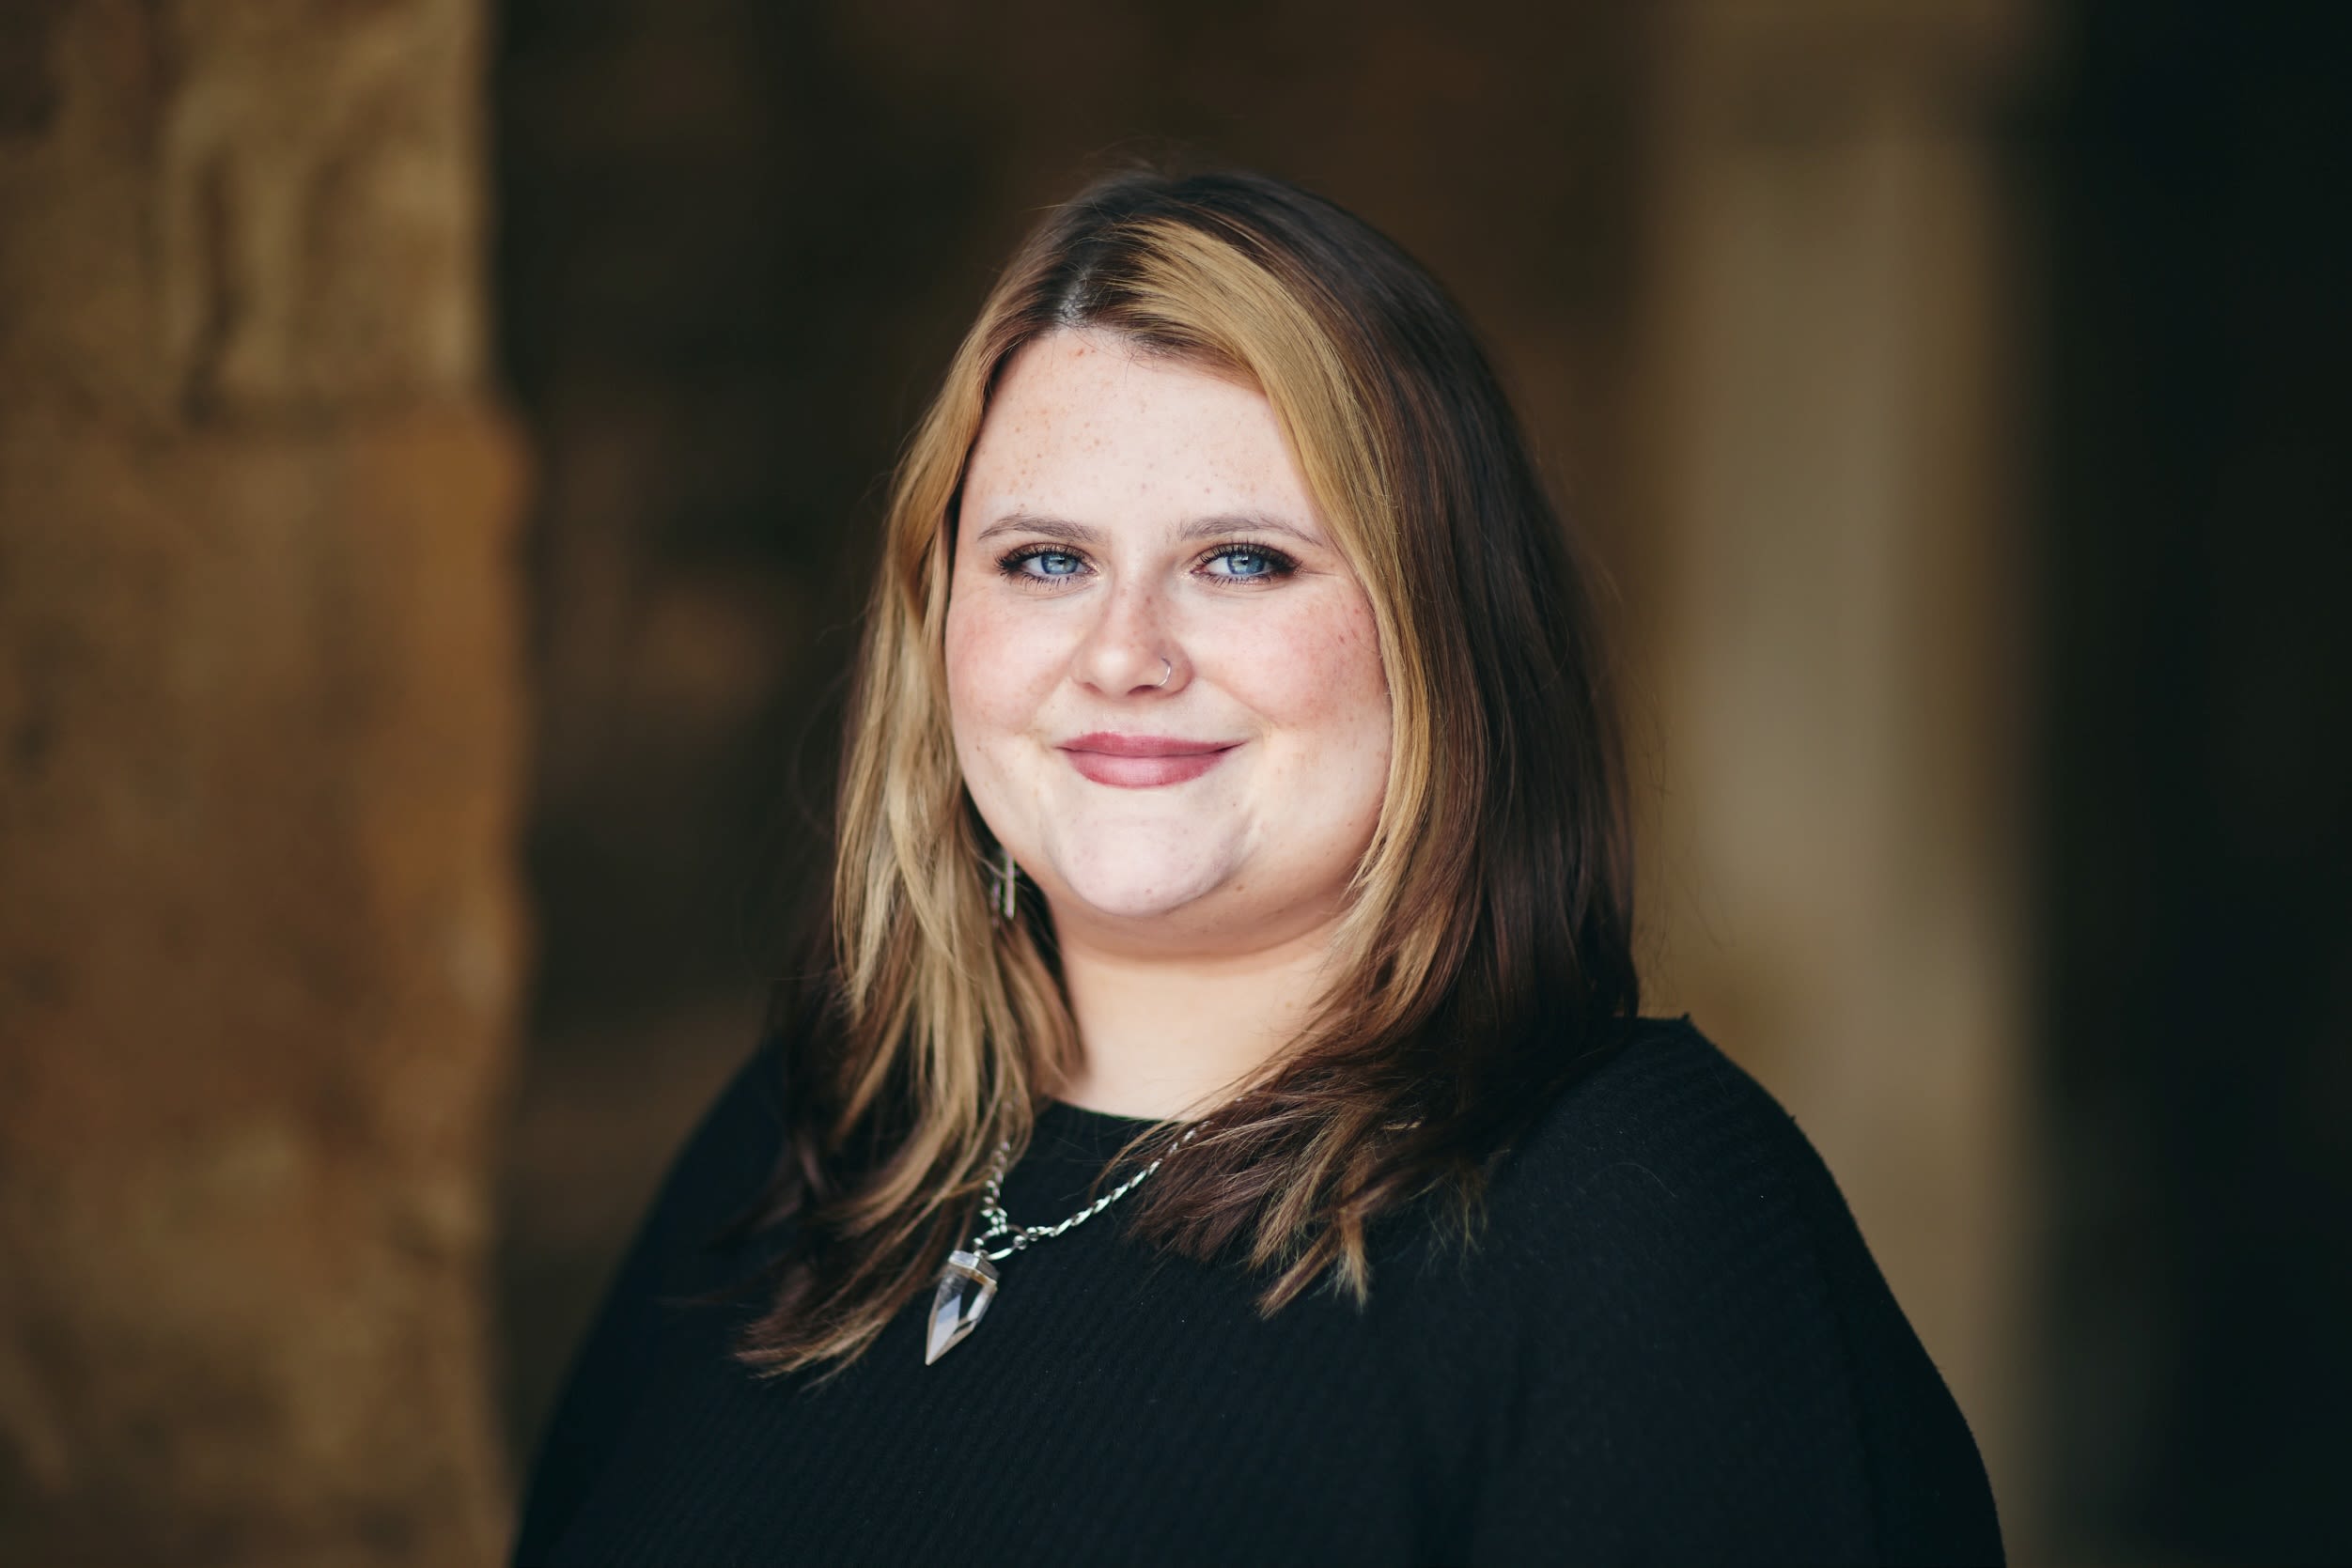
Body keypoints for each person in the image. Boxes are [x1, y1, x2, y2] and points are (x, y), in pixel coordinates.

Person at [511, 168, 2002, 1566]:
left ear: (1445, 638)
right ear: (939, 619)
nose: (1124, 653)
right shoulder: (812, 1131)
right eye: (1044, 559)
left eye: (1243, 560)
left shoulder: (1632, 1212)